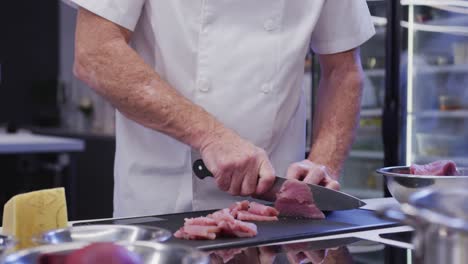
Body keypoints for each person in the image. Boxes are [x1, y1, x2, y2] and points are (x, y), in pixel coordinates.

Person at [70, 0, 375, 217]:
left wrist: (323, 163)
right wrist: (212, 137)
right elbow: (96, 54)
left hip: (277, 209)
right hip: (164, 203)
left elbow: (343, 72)